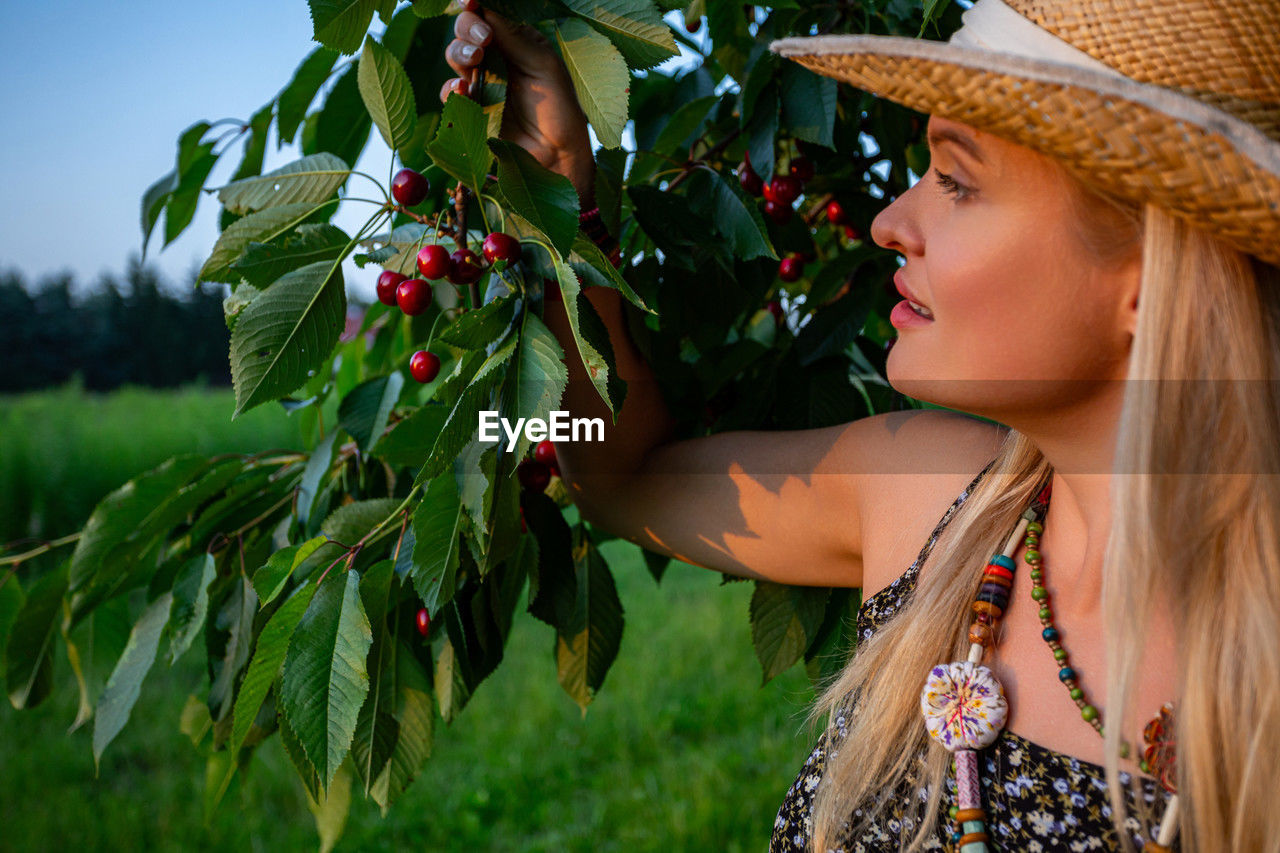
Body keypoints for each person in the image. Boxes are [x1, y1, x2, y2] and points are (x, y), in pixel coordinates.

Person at [442, 0, 1280, 849]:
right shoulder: (929, 499)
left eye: (956, 182)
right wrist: (557, 200)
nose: (889, 223)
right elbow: (617, 476)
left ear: (1143, 278)